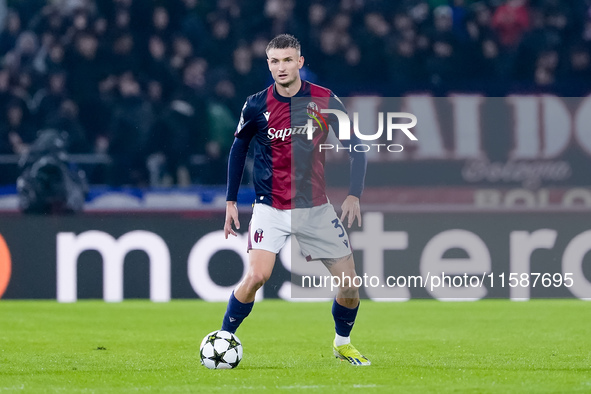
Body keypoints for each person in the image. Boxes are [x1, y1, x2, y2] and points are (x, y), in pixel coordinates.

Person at [220, 34, 370, 366]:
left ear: (300, 62)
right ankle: (224, 337)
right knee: (257, 276)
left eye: (288, 60)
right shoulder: (256, 104)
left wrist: (353, 195)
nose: (281, 67)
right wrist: (231, 201)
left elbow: (358, 147)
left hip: (315, 207)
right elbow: (238, 148)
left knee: (349, 285)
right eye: (274, 61)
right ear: (268, 65)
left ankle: (342, 343)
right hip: (270, 207)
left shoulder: (325, 100)